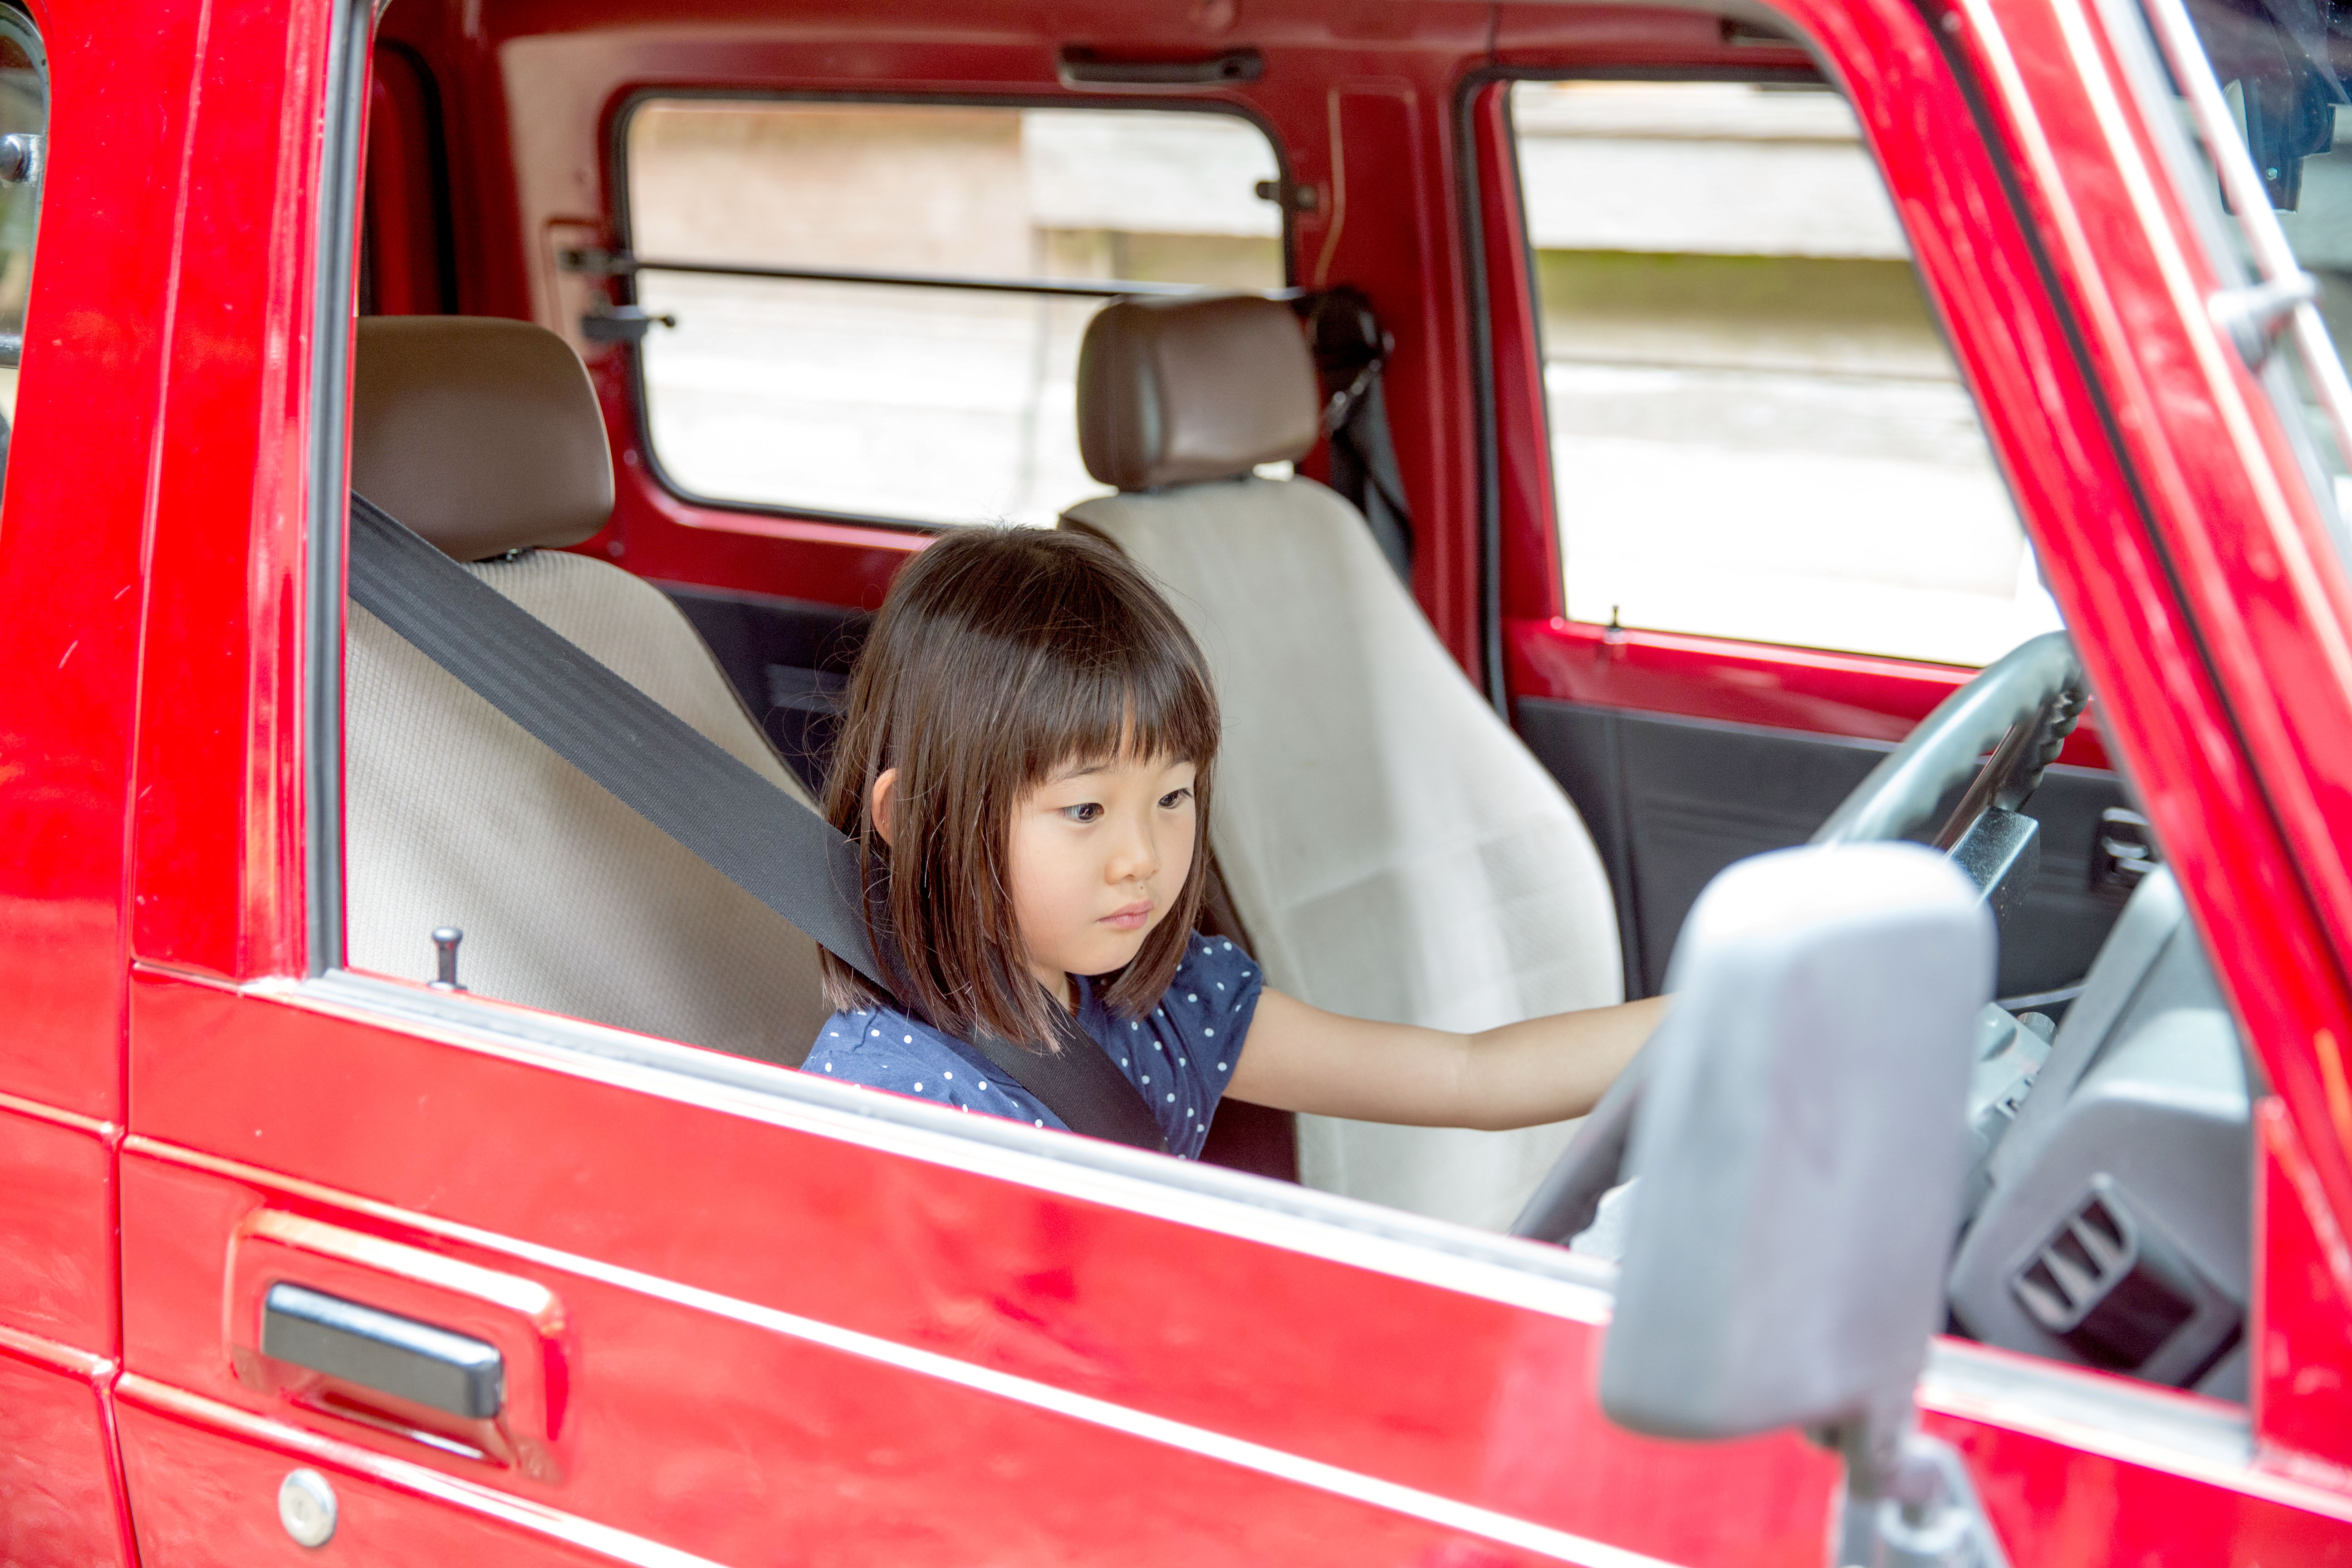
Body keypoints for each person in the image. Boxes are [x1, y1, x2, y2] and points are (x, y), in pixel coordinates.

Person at [807, 526, 1665, 1157]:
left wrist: (1712, 1018)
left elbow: (1469, 1076)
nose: (1144, 857)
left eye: (1172, 796)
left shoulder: (1169, 1005)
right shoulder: (891, 1098)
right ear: (916, 819)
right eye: (1085, 810)